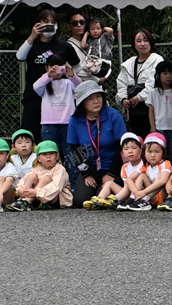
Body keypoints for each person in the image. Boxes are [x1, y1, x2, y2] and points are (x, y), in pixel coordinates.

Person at [16, 9, 80, 139]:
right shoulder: (32, 44)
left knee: (56, 134)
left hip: (57, 96)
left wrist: (68, 78)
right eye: (45, 21)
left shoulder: (64, 46)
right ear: (38, 23)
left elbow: (77, 65)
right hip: (34, 94)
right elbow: (20, 56)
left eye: (53, 22)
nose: (50, 24)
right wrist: (32, 35)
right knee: (29, 132)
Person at [67, 81, 128, 209]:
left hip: (114, 167)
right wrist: (86, 174)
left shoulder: (114, 115)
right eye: (90, 98)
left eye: (98, 96)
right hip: (91, 168)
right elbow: (75, 149)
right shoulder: (74, 120)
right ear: (82, 102)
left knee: (103, 198)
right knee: (80, 200)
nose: (96, 101)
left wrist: (111, 173)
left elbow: (122, 147)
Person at [32, 53, 81, 182]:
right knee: (51, 156)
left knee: (71, 155)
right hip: (49, 124)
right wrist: (48, 75)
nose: (57, 70)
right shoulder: (44, 85)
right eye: (52, 67)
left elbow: (80, 88)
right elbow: (36, 86)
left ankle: (73, 185)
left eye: (60, 67)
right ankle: (52, 183)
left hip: (68, 123)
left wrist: (72, 75)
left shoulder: (68, 83)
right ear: (46, 68)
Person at [117, 28, 163, 139]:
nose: (142, 44)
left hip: (151, 110)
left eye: (145, 40)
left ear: (150, 42)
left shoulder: (157, 60)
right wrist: (123, 99)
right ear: (134, 44)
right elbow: (121, 84)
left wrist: (139, 97)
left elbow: (152, 84)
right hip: (133, 113)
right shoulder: (128, 63)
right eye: (139, 41)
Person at [84, 132, 143, 211]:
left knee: (130, 182)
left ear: (141, 149)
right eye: (126, 149)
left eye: (134, 148)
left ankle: (114, 200)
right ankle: (99, 200)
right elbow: (126, 186)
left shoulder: (144, 164)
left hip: (141, 193)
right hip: (128, 194)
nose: (130, 151)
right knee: (109, 183)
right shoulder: (125, 167)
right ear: (122, 153)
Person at [10, 141, 72, 210]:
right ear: (38, 158)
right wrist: (21, 190)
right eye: (44, 154)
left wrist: (36, 192)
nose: (48, 156)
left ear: (57, 156)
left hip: (55, 199)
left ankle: (27, 201)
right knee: (32, 176)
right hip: (38, 198)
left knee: (46, 178)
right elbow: (24, 179)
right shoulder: (37, 168)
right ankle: (24, 199)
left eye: (51, 153)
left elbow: (56, 187)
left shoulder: (60, 169)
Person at [120, 132, 172, 211]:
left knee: (161, 176)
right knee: (141, 176)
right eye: (149, 151)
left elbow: (163, 180)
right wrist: (136, 192)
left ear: (163, 153)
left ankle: (144, 200)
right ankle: (133, 199)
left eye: (157, 152)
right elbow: (130, 179)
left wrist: (144, 192)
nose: (153, 155)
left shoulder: (165, 164)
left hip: (165, 196)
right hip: (152, 196)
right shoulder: (145, 166)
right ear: (144, 153)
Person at [147, 61, 172, 167]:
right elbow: (151, 111)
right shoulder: (154, 92)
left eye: (171, 73)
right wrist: (153, 129)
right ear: (158, 75)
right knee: (160, 155)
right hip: (160, 128)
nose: (168, 76)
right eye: (165, 73)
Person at [80, 17, 115, 85]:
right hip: (93, 65)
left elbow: (110, 30)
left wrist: (104, 28)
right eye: (92, 29)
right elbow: (83, 45)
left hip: (104, 63)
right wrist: (86, 34)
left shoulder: (105, 38)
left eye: (98, 28)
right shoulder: (90, 41)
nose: (95, 31)